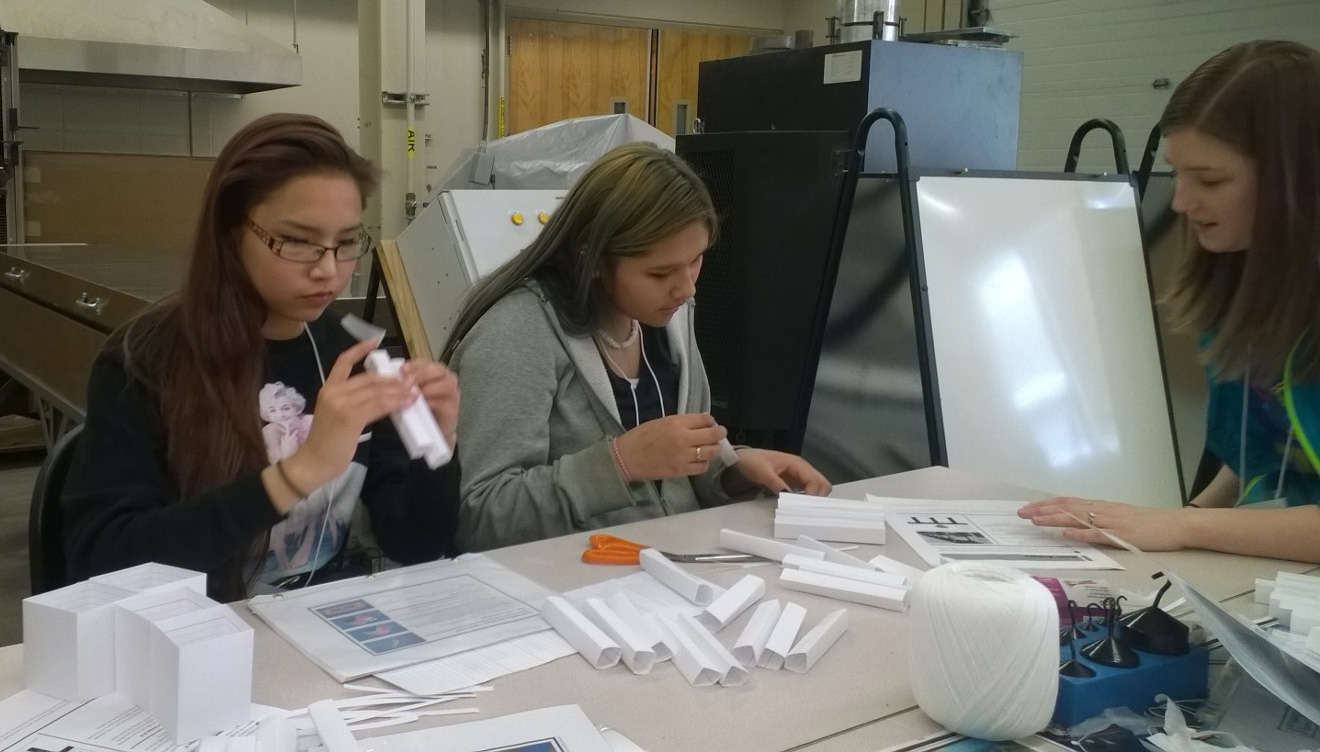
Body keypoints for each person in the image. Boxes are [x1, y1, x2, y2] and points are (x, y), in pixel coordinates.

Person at [63, 114, 462, 600]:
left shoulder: (353, 351)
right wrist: (298, 473)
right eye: (297, 241)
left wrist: (436, 451)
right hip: (194, 642)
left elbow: (417, 544)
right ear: (231, 231)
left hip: (321, 631)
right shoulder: (148, 358)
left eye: (346, 243)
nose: (328, 270)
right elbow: (102, 559)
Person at [441, 142, 830, 551]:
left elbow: (671, 474)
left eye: (696, 260)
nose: (687, 288)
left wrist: (732, 469)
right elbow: (478, 517)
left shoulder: (667, 315)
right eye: (659, 272)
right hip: (570, 591)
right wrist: (619, 463)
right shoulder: (518, 331)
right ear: (591, 258)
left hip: (664, 576)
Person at [1019, 40, 1320, 564]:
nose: (1180, 201)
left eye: (1211, 180)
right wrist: (1166, 523)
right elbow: (1273, 444)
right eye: (1178, 173)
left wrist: (1180, 525)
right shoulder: (1239, 284)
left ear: (1299, 180)